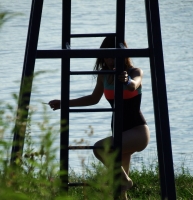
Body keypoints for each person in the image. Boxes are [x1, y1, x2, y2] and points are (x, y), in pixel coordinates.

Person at [49, 36, 150, 200]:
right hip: (119, 131)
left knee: (99, 148)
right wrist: (63, 103)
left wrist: (126, 80)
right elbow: (93, 99)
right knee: (119, 191)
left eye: (114, 56)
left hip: (137, 132)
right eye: (107, 56)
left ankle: (127, 182)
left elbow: (134, 84)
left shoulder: (135, 72)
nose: (110, 60)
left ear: (124, 55)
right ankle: (123, 187)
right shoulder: (104, 74)